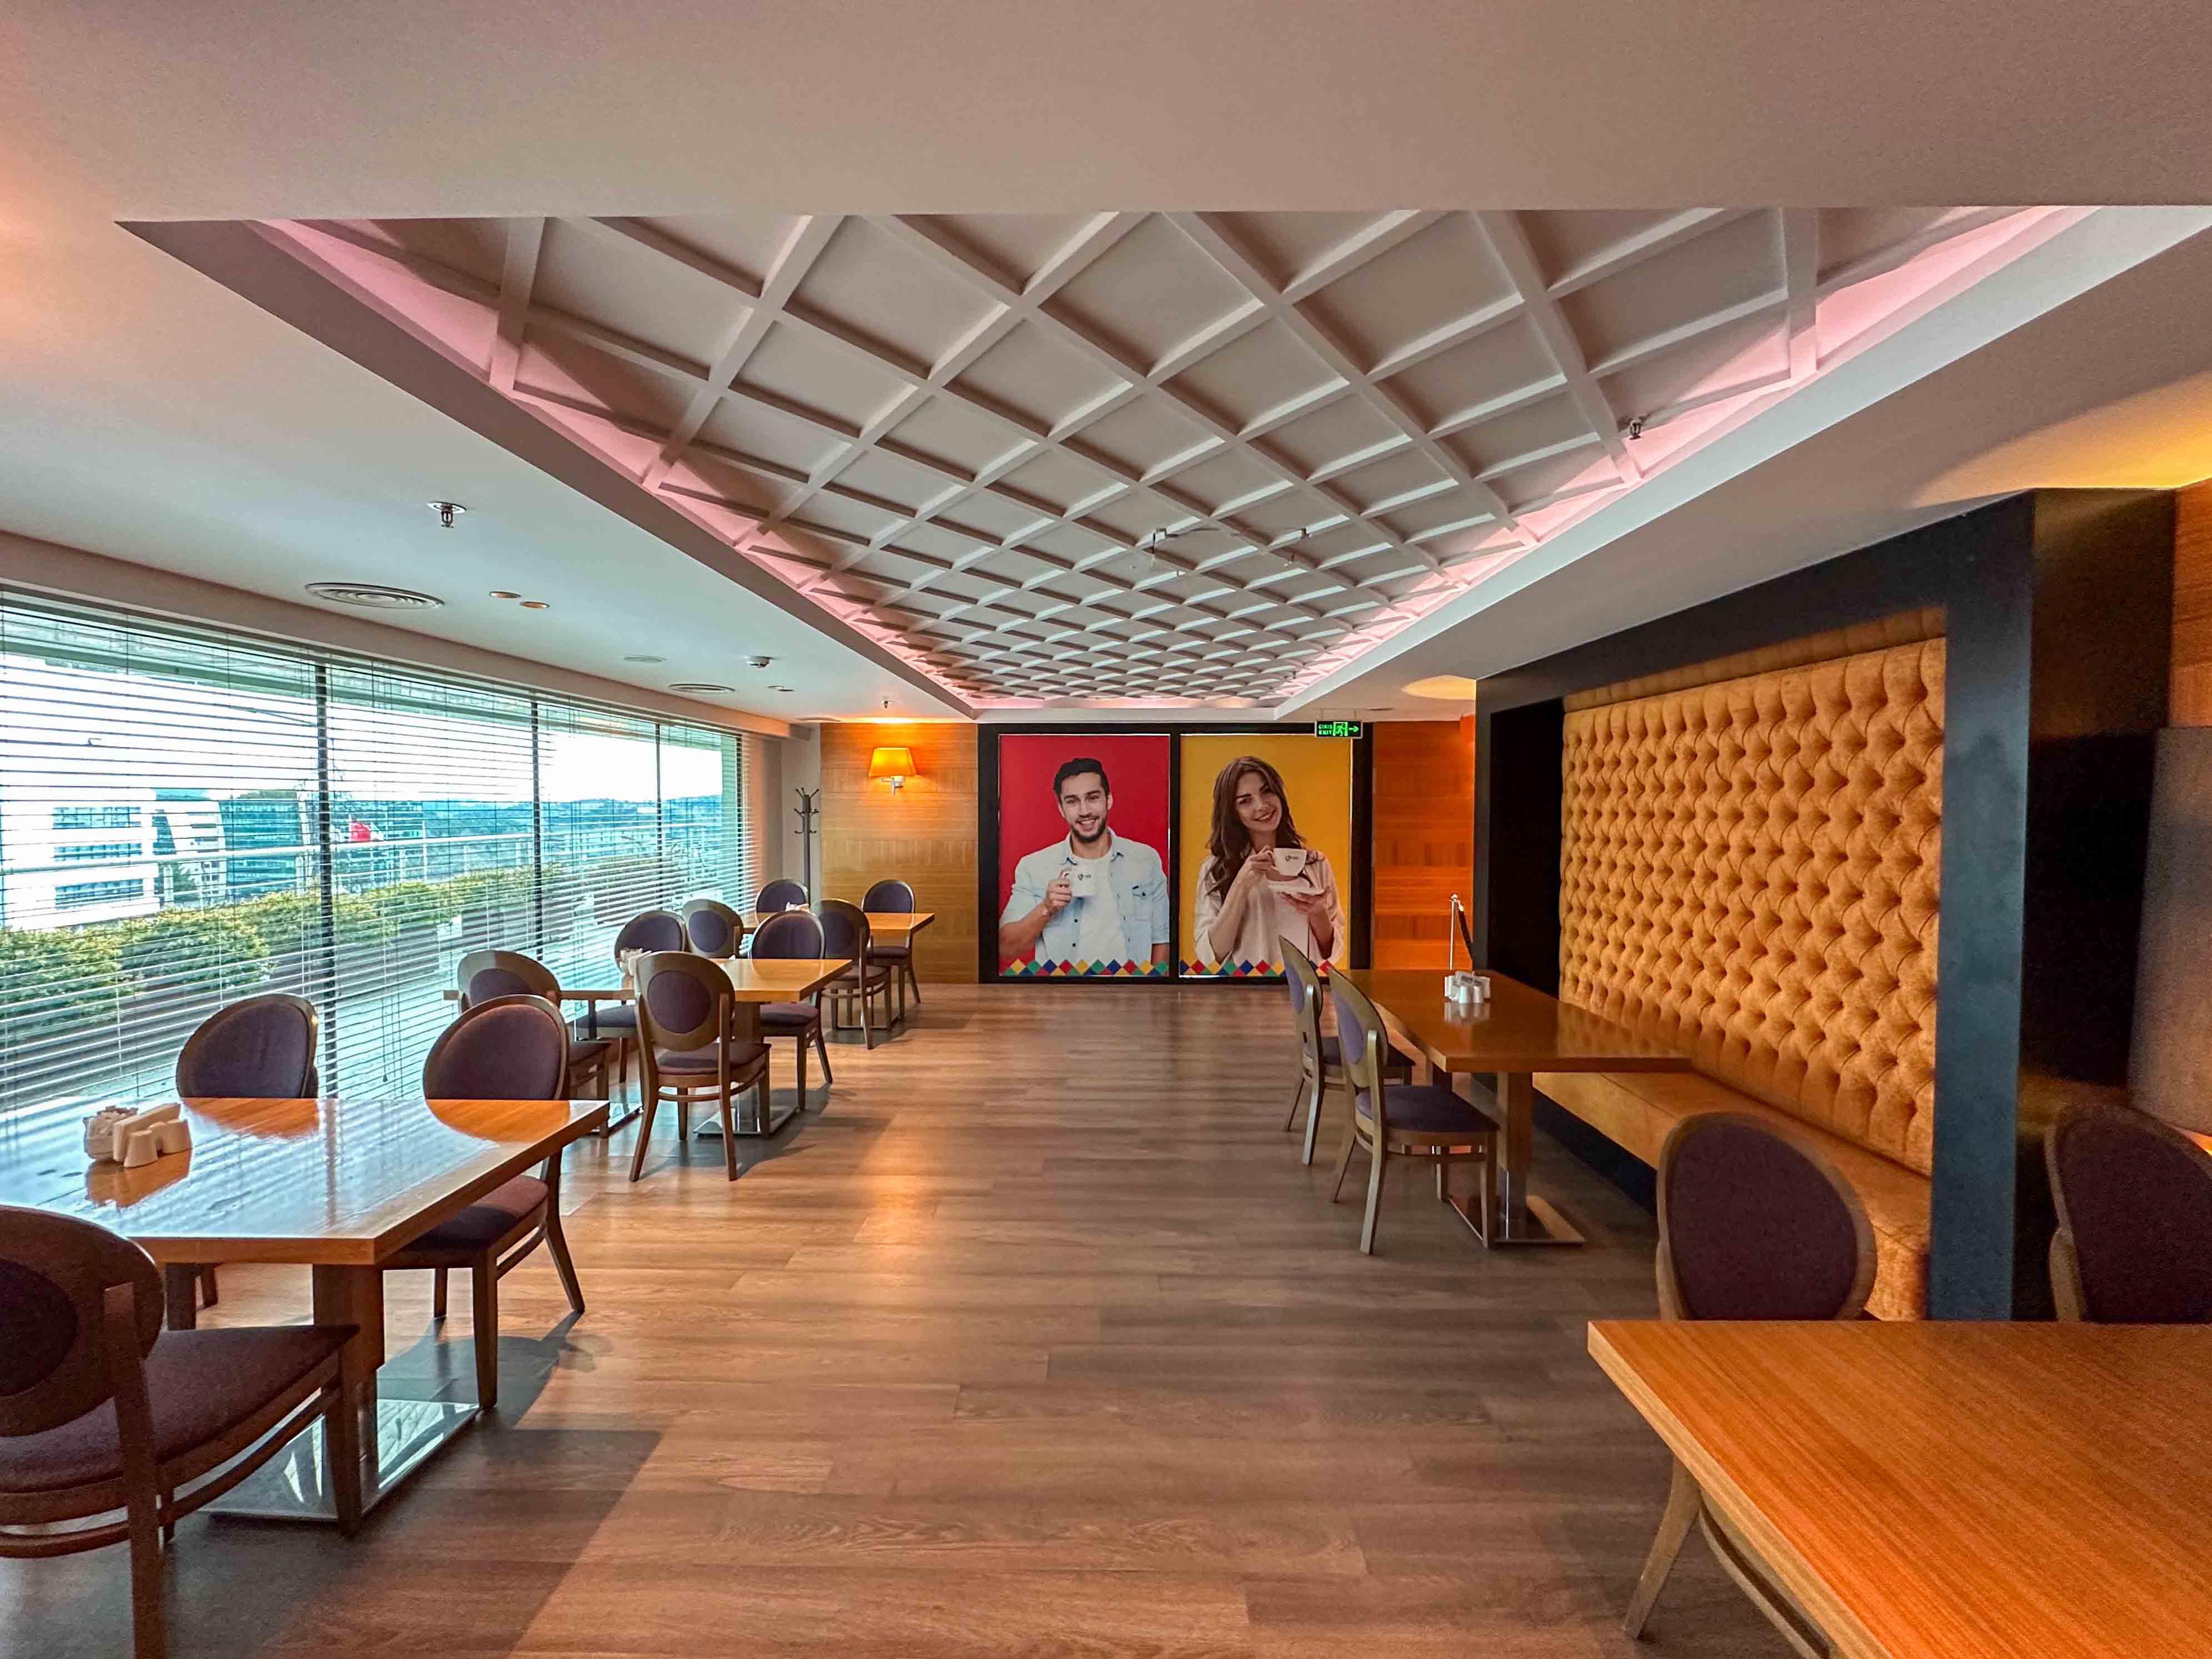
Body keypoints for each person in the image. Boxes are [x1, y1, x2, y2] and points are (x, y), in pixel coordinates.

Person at [998, 756, 1170, 970]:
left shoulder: (1146, 860)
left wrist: (1153, 989)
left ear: (1109, 800)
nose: (1084, 811)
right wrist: (1046, 908)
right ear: (1061, 809)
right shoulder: (1033, 867)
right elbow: (1006, 948)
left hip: (1131, 990)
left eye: (1093, 798)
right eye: (1072, 801)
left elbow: (1161, 939)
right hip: (1063, 991)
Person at [1191, 754, 1344, 969]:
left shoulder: (1315, 864)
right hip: (1243, 989)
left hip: (1302, 987)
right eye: (1245, 801)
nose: (1262, 805)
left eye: (1267, 791)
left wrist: (1318, 912)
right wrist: (1241, 885)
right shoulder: (1215, 869)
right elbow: (1210, 957)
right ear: (1233, 813)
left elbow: (1333, 954)